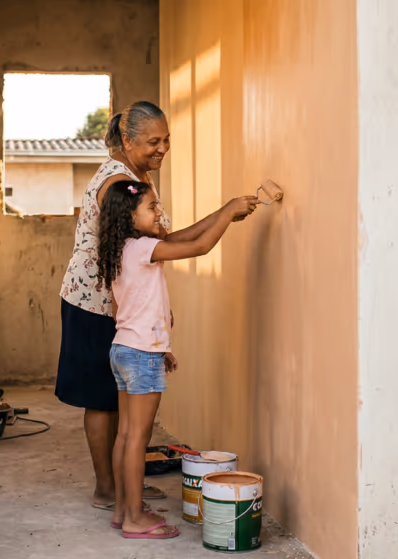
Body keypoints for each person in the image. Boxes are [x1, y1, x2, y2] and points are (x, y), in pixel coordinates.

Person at [55, 101, 258, 512]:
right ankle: (109, 490)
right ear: (127, 140)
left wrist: (222, 215)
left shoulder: (137, 177)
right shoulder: (121, 187)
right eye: (153, 141)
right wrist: (222, 216)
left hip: (125, 307)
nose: (162, 148)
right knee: (103, 401)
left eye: (167, 139)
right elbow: (178, 248)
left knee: (122, 411)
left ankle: (123, 488)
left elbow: (164, 244)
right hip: (96, 304)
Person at [97, 180, 256, 538]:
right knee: (138, 437)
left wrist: (226, 211)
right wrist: (228, 213)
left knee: (125, 435)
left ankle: (125, 510)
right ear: (130, 216)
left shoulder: (123, 249)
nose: (159, 213)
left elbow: (140, 301)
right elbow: (198, 246)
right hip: (140, 354)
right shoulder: (143, 248)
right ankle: (136, 519)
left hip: (124, 348)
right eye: (152, 208)